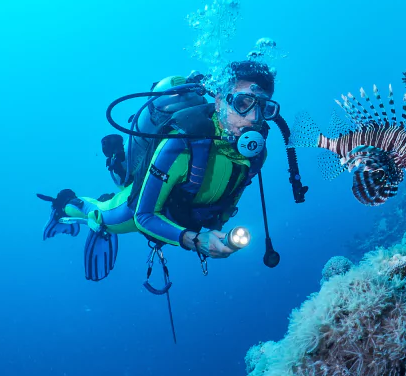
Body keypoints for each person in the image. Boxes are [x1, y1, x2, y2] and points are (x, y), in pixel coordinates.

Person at [39, 60, 283, 281]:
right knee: (103, 217)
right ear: (219, 100)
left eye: (264, 108)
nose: (253, 118)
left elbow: (229, 196)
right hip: (143, 208)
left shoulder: (256, 152)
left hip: (182, 213)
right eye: (243, 103)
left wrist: (217, 233)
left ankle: (118, 163)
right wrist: (196, 241)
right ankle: (67, 203)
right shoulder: (182, 142)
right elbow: (143, 216)